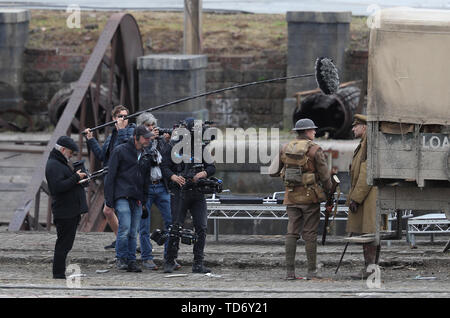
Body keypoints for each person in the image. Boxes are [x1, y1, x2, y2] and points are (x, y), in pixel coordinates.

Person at [270, 118, 333, 280]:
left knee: (291, 233)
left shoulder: (285, 148)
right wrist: (329, 194)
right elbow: (326, 177)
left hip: (291, 196)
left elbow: (273, 172)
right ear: (306, 131)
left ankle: (290, 272)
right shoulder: (315, 150)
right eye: (312, 130)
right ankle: (311, 271)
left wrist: (290, 173)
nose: (314, 132)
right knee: (310, 234)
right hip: (310, 198)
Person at [161, 118, 216, 274]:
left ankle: (198, 263)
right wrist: (173, 177)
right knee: (175, 226)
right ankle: (170, 261)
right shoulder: (173, 146)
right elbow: (164, 166)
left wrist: (204, 173)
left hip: (197, 192)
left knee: (201, 227)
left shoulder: (202, 147)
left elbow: (212, 167)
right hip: (179, 191)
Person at [84, 105, 135, 249]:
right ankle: (121, 239)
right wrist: (91, 139)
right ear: (114, 118)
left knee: (123, 211)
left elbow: (129, 151)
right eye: (120, 116)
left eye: (126, 116)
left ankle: (125, 242)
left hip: (124, 179)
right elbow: (102, 156)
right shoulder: (112, 135)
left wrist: (122, 131)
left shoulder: (131, 131)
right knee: (108, 211)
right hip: (110, 179)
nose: (123, 119)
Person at [104, 125, 152, 273]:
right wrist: (109, 201)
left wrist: (144, 201)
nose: (148, 140)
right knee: (124, 227)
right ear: (137, 137)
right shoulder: (120, 151)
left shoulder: (146, 155)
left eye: (149, 137)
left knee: (133, 230)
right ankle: (121, 258)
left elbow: (146, 180)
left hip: (136, 197)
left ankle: (131, 260)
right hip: (122, 195)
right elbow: (110, 176)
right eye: (145, 137)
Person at [136, 112, 177, 270]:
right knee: (144, 226)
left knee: (171, 222)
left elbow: (168, 161)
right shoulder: (138, 143)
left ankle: (169, 257)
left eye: (153, 126)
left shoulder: (159, 141)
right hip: (146, 188)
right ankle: (147, 258)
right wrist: (149, 139)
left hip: (161, 185)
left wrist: (167, 142)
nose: (151, 129)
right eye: (148, 126)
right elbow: (139, 162)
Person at [45, 136, 88, 279]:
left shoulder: (60, 163)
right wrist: (75, 177)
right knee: (63, 244)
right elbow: (58, 187)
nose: (71, 156)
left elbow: (67, 183)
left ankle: (59, 272)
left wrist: (79, 179)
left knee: (65, 244)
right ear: (63, 150)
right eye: (70, 152)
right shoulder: (53, 165)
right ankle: (58, 273)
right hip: (64, 211)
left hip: (70, 210)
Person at [346, 114, 380, 279]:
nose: (353, 129)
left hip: (368, 195)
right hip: (368, 194)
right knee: (370, 232)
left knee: (368, 233)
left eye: (356, 126)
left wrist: (356, 197)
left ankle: (370, 269)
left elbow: (367, 171)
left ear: (365, 127)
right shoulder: (365, 142)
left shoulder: (368, 142)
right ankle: (372, 268)